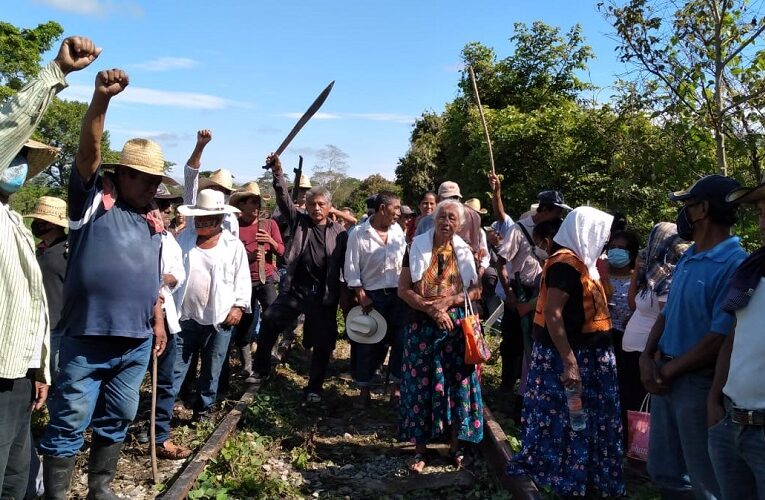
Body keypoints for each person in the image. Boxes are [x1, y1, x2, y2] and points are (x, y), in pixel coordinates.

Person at [39, 68, 170, 499]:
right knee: (70, 419)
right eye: (145, 178)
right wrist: (101, 100)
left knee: (118, 416)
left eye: (155, 180)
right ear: (123, 174)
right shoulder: (94, 202)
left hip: (133, 343)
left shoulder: (152, 220)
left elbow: (151, 278)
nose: (152, 186)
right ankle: (57, 494)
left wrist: (158, 321)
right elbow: (87, 152)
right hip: (87, 337)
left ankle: (101, 490)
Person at [640, 175, 747, 499]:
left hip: (697, 383)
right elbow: (667, 312)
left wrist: (667, 371)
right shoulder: (688, 256)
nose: (682, 214)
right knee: (663, 470)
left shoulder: (735, 264)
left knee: (703, 479)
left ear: (703, 210)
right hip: (665, 376)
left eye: (688, 205)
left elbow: (719, 336)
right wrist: (648, 356)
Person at [507, 206, 625, 497]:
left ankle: (588, 472)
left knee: (584, 418)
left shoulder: (585, 263)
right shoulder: (565, 263)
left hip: (591, 354)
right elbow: (553, 313)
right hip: (571, 355)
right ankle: (567, 471)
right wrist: (569, 361)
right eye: (602, 233)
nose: (606, 240)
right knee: (567, 417)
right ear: (586, 231)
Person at [251, 153, 348, 403]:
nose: (316, 208)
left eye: (321, 204)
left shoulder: (338, 232)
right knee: (271, 319)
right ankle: (260, 369)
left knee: (324, 343)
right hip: (296, 290)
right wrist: (278, 172)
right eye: (312, 204)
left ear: (329, 207)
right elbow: (283, 199)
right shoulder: (299, 222)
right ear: (306, 204)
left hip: (324, 295)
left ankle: (314, 387)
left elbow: (347, 265)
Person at [397, 199, 483, 473]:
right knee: (420, 385)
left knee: (458, 384)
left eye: (452, 219)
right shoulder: (415, 247)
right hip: (421, 326)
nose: (446, 223)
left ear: (459, 224)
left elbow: (476, 291)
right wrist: (431, 308)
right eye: (442, 217)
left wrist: (450, 301)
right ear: (434, 220)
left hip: (455, 328)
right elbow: (403, 289)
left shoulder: (465, 252)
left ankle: (457, 447)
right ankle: (420, 451)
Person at [706, 179, 765, 499]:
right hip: (731, 423)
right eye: (761, 211)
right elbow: (734, 334)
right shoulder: (752, 272)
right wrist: (715, 398)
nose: (763, 220)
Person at [172, 189, 250, 420]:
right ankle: (164, 411)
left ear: (218, 220)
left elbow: (242, 278)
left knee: (212, 368)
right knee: (176, 369)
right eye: (198, 218)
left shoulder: (232, 245)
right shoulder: (184, 239)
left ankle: (203, 410)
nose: (201, 222)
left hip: (220, 317)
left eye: (207, 219)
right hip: (185, 316)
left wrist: (239, 306)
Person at [492, 175, 571, 394]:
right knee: (512, 340)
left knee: (537, 340)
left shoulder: (557, 230)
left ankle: (529, 384)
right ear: (545, 210)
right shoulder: (518, 230)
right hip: (520, 291)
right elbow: (501, 262)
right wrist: (509, 294)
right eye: (557, 211)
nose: (560, 216)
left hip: (543, 290)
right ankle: (507, 385)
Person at [344, 191, 407, 407]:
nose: (399, 212)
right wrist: (361, 294)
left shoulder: (398, 231)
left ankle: (396, 389)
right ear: (383, 209)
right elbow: (351, 268)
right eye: (396, 208)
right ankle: (363, 388)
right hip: (372, 296)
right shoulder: (359, 234)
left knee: (401, 341)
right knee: (367, 342)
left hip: (398, 295)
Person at [620, 223, 687, 419]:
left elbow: (664, 319)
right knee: (631, 407)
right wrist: (637, 274)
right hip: (632, 351)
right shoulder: (651, 273)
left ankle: (639, 449)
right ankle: (631, 447)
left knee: (643, 414)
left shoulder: (671, 276)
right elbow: (633, 305)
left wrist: (653, 357)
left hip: (648, 354)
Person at [147, 185, 189, 459]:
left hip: (167, 321)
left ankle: (159, 435)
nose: (166, 211)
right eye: (161, 205)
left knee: (164, 382)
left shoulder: (169, 240)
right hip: (134, 321)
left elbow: (177, 274)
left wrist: (156, 282)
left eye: (169, 206)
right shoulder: (132, 234)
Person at [229, 182, 284, 382]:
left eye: (258, 202)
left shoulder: (269, 225)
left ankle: (271, 353)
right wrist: (250, 257)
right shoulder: (234, 227)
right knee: (245, 323)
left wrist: (270, 241)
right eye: (252, 202)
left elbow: (282, 251)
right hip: (244, 282)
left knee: (273, 315)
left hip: (266, 278)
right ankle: (247, 365)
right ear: (242, 205)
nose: (256, 207)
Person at [23, 197, 69, 382]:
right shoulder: (39, 250)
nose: (36, 226)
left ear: (53, 224)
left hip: (59, 327)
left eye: (40, 222)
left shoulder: (69, 251)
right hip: (38, 325)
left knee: (58, 379)